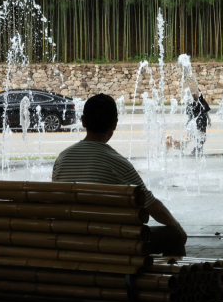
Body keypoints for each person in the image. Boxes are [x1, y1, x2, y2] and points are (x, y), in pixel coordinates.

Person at [52, 93, 186, 256]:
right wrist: (177, 226)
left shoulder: (62, 158)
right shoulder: (117, 163)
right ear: (114, 124)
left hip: (68, 242)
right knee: (175, 236)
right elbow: (152, 206)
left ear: (83, 121)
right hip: (110, 245)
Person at [186, 87, 211, 156]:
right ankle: (197, 150)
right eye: (194, 94)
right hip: (195, 122)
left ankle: (198, 149)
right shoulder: (191, 102)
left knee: (203, 137)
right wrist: (188, 121)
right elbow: (189, 114)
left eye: (197, 93)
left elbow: (206, 111)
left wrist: (209, 119)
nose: (196, 95)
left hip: (203, 121)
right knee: (196, 136)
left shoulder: (202, 101)